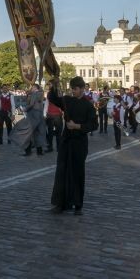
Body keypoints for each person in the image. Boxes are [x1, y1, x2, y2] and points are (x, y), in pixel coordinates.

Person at [47, 76, 97, 215]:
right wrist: (54, 85)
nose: (72, 91)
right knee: (62, 172)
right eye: (71, 89)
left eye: (75, 89)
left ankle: (78, 204)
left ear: (82, 89)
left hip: (79, 143)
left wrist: (77, 126)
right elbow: (53, 99)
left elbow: (94, 124)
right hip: (66, 141)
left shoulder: (88, 105)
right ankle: (60, 204)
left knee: (77, 173)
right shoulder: (67, 101)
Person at [22, 83, 47, 156]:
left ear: (35, 88)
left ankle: (28, 151)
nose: (31, 88)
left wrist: (25, 109)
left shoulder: (34, 94)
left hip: (33, 115)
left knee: (28, 133)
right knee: (38, 133)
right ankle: (39, 151)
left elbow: (31, 104)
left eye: (32, 87)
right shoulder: (41, 94)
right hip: (39, 115)